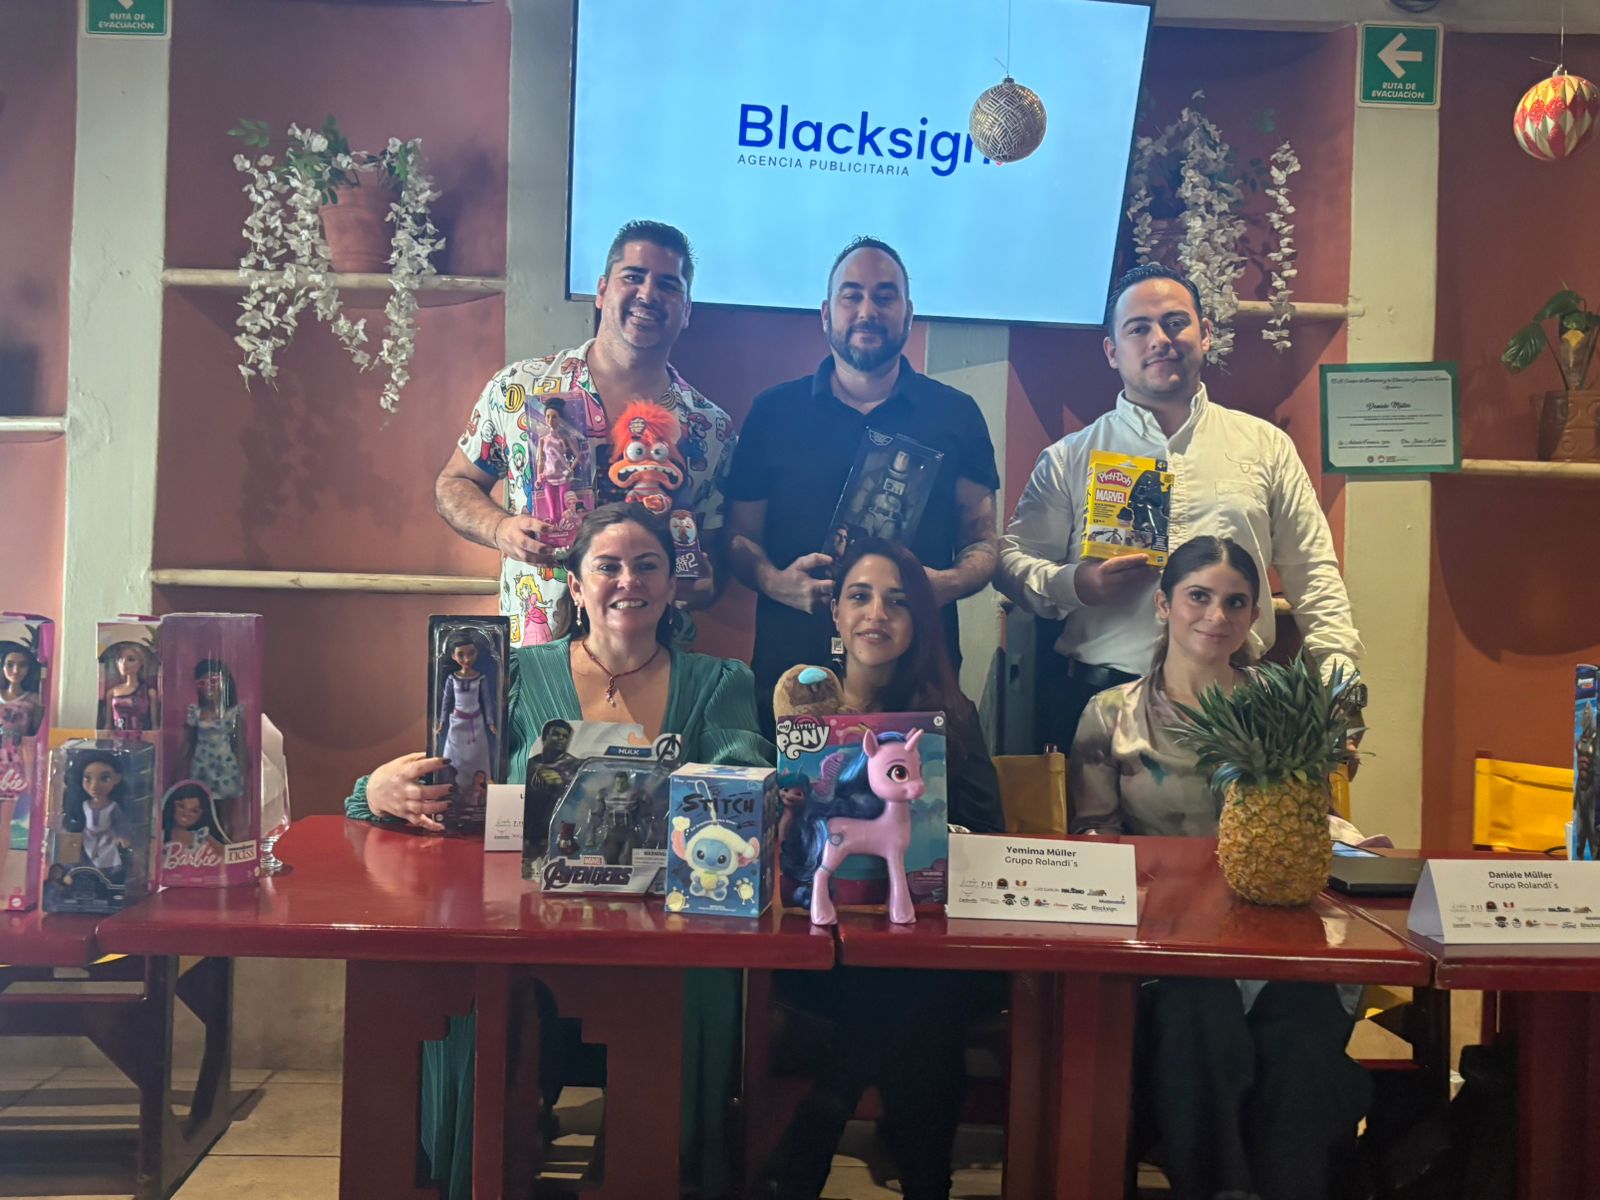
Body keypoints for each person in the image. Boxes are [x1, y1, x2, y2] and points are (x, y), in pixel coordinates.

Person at [346, 503, 772, 1200]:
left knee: (704, 974)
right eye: (608, 566)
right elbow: (448, 779)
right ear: (575, 585)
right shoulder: (511, 672)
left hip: (660, 921)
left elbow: (741, 780)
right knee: (461, 974)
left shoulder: (719, 682)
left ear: (672, 586)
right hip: (520, 914)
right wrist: (376, 790)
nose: (628, 581)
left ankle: (656, 1167)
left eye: (647, 566)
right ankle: (476, 1168)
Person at [1068, 535, 1369, 1200]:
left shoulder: (1288, 710)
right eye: (1198, 596)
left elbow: (1309, 823)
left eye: (1236, 602)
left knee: (1304, 1037)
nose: (1217, 615)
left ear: (1254, 615)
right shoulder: (1110, 716)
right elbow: (1093, 844)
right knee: (1195, 1011)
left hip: (1279, 938)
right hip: (1163, 945)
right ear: (1163, 604)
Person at [996, 263, 1365, 752]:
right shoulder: (1070, 458)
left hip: (1239, 708)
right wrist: (1077, 584)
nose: (1160, 340)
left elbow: (1313, 572)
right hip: (1101, 704)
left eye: (1175, 322)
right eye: (1138, 328)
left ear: (1205, 334)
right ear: (1112, 351)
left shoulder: (1266, 447)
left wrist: (1341, 683)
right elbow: (1011, 563)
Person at [763, 538, 1005, 1200]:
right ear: (835, 614)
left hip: (923, 942)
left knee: (912, 987)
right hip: (819, 941)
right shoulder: (799, 712)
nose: (877, 614)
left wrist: (936, 829)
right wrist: (784, 814)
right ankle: (926, 1182)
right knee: (911, 1005)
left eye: (898, 602)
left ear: (919, 621)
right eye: (860, 597)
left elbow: (990, 835)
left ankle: (816, 1130)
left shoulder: (948, 719)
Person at [725, 237, 1000, 734]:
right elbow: (738, 536)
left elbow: (982, 540)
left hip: (917, 676)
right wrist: (774, 581)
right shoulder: (773, 412)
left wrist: (945, 585)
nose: (867, 311)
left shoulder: (956, 415)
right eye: (851, 295)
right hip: (792, 674)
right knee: (789, 789)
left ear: (908, 314)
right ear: (826, 313)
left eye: (885, 296)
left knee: (914, 785)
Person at [434, 219, 737, 649]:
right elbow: (454, 484)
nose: (648, 294)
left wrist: (703, 585)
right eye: (633, 277)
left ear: (686, 310)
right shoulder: (519, 388)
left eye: (668, 285)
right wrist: (500, 529)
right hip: (536, 655)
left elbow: (712, 555)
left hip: (656, 660)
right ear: (601, 290)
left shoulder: (712, 428)